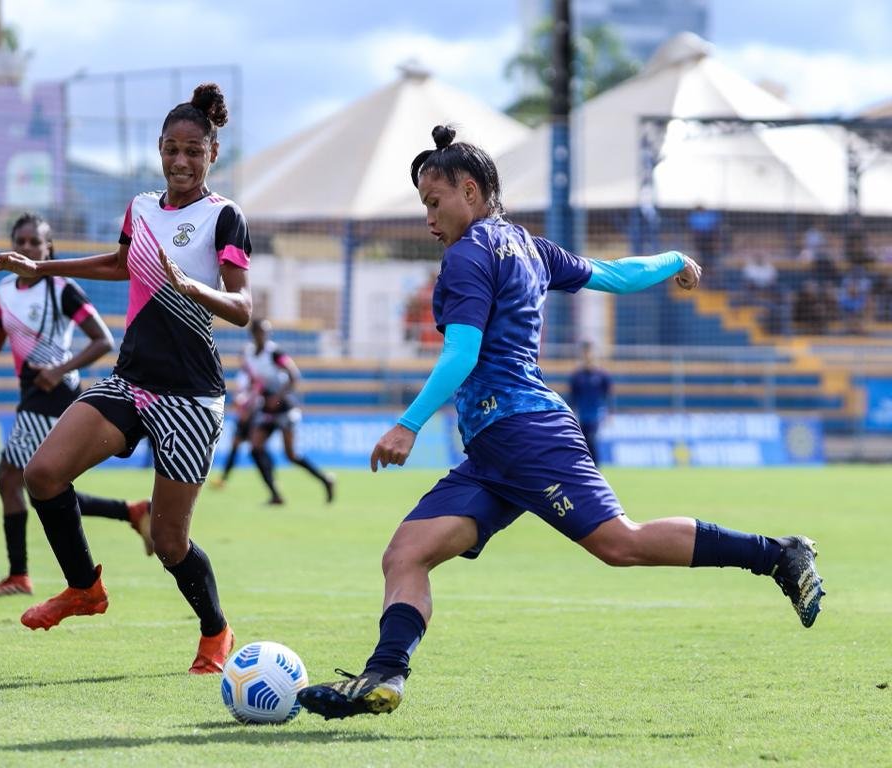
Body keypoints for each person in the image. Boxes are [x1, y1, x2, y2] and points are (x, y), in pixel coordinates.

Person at [296, 125, 825, 721]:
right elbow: (615, 275)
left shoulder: (468, 256)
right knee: (406, 553)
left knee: (620, 543)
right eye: (424, 203)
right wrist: (674, 259)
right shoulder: (528, 246)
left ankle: (778, 553)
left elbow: (462, 354)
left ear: (469, 190)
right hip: (497, 451)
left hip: (525, 434)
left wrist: (407, 424)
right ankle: (384, 676)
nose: (429, 215)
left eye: (433, 200)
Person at [0, 83, 252, 674]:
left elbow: (243, 306)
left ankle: (215, 629)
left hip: (191, 395)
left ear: (212, 154)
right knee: (43, 474)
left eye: (193, 152)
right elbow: (118, 262)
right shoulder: (142, 206)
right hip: (131, 380)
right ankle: (84, 589)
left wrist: (192, 287)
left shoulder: (224, 217)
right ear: (159, 150)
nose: (180, 162)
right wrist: (39, 265)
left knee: (171, 540)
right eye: (171, 150)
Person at [0, 213, 152, 597]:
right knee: (39, 483)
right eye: (21, 241)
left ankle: (19, 576)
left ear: (48, 250)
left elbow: (102, 340)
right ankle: (132, 511)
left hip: (54, 394)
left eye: (34, 243)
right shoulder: (4, 290)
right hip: (32, 392)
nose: (26, 248)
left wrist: (59, 370)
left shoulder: (61, 288)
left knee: (12, 479)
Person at [243, 318, 335, 505]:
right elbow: (255, 380)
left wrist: (277, 396)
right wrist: (251, 399)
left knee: (291, 455)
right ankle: (275, 493)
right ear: (253, 333)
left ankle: (325, 479)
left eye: (267, 332)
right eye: (261, 331)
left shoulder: (275, 353)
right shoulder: (250, 354)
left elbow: (293, 376)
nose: (265, 335)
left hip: (283, 406)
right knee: (255, 448)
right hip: (267, 407)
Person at [209, 363, 261, 489]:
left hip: (252, 416)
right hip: (244, 417)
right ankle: (223, 479)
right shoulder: (243, 374)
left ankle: (272, 483)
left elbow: (255, 392)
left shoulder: (253, 373)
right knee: (237, 448)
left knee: (257, 451)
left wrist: (247, 410)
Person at [568, 340, 612, 465]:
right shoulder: (577, 376)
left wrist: (610, 413)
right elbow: (573, 397)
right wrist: (571, 414)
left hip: (595, 415)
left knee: (591, 440)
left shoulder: (602, 375)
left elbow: (607, 396)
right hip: (582, 415)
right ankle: (585, 467)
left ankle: (596, 468)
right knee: (583, 442)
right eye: (585, 353)